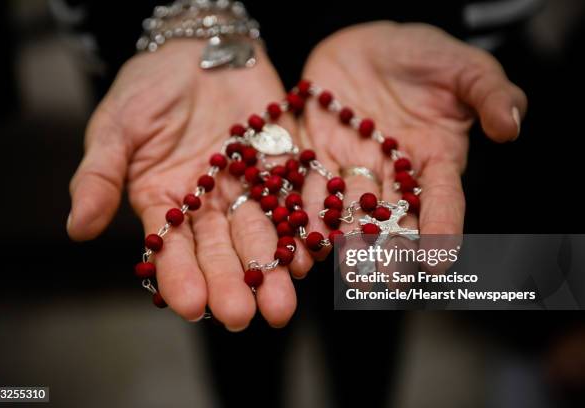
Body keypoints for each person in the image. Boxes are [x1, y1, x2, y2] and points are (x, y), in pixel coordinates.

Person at [61, 1, 535, 406]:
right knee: (232, 310)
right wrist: (171, 21)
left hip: (384, 83)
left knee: (371, 297)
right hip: (207, 91)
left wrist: (418, 16)